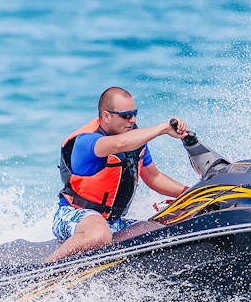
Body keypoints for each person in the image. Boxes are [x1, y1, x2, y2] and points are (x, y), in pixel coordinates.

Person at [46, 87, 192, 262]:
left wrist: (191, 192)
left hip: (112, 222)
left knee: (161, 231)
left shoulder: (135, 141)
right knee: (100, 234)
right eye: (126, 115)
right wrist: (163, 128)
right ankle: (47, 270)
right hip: (73, 215)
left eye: (134, 113)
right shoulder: (87, 141)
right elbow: (119, 145)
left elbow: (154, 178)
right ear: (107, 116)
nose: (133, 120)